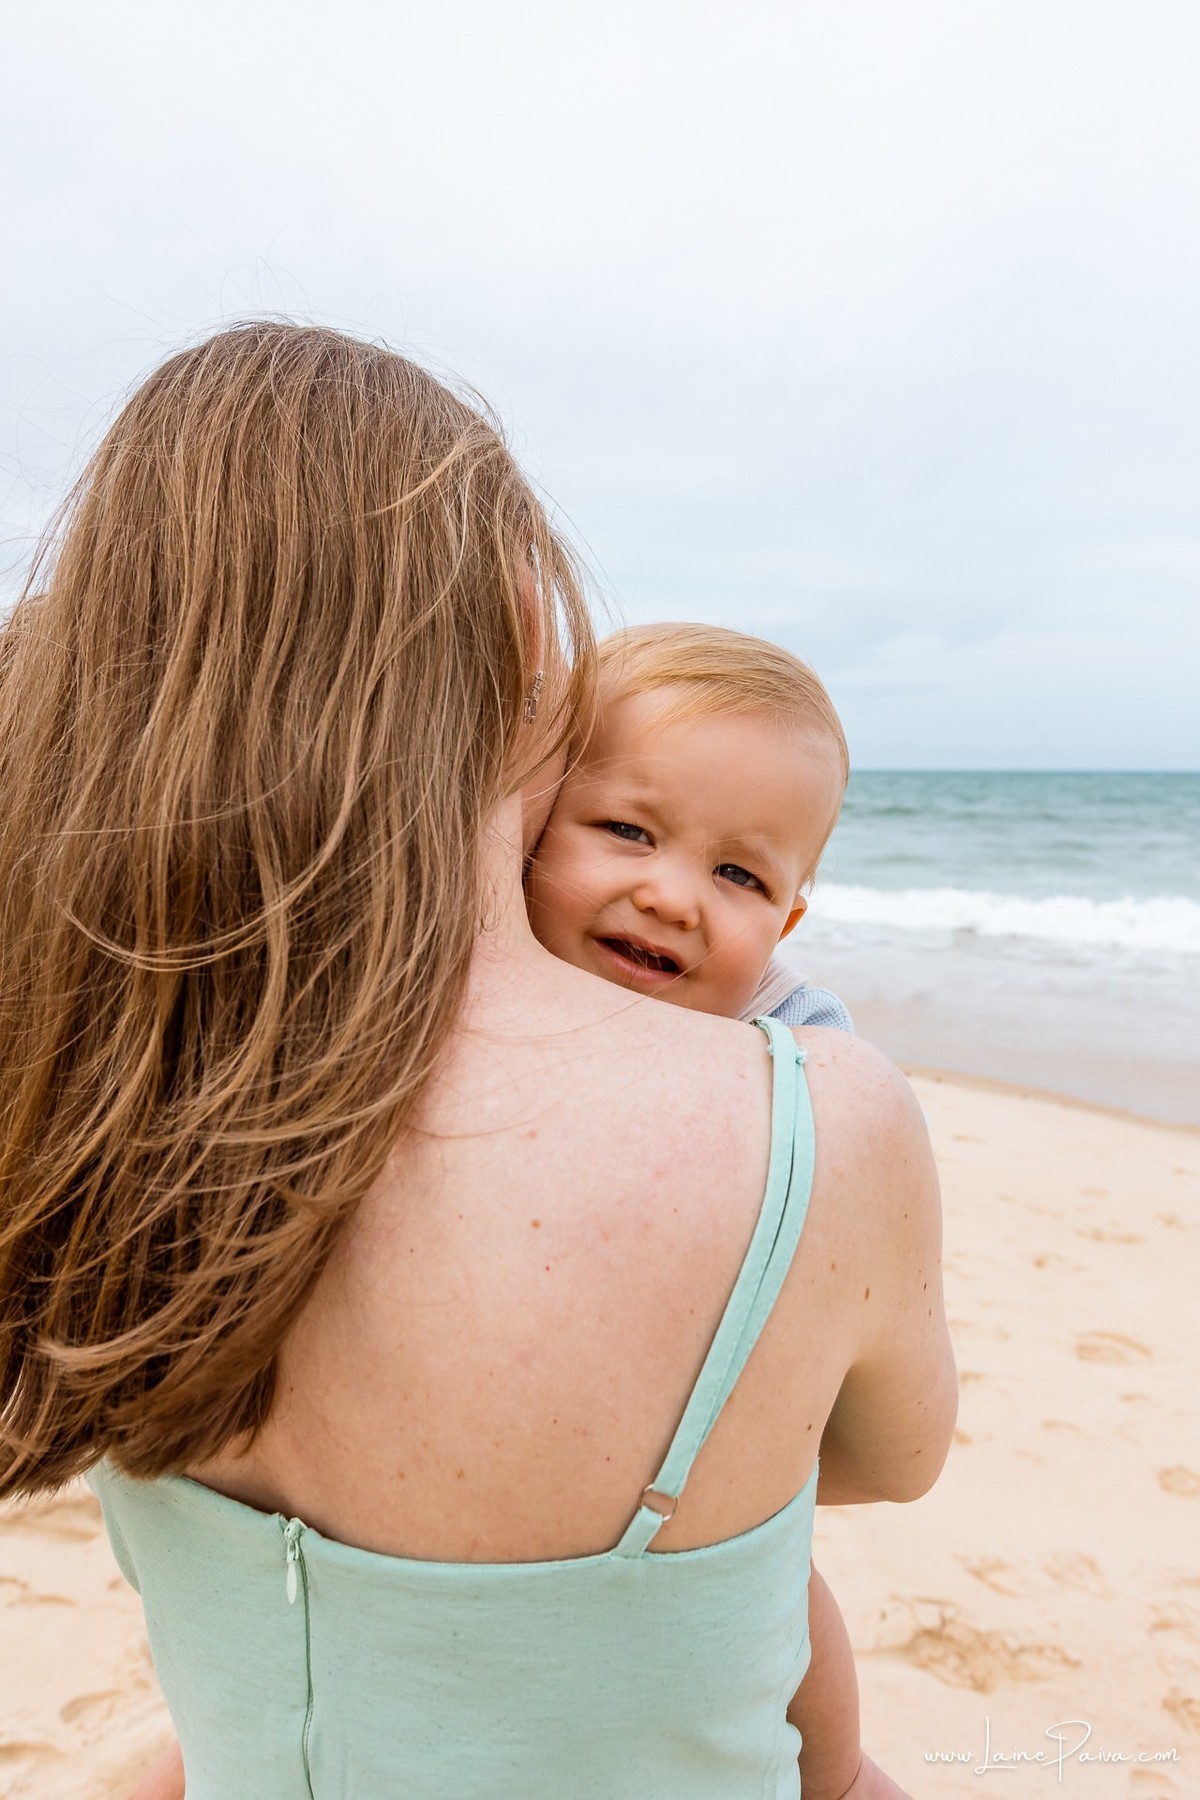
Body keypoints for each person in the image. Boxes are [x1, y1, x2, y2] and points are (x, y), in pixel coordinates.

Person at [0, 323, 956, 1800]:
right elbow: (893, 1461)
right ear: (522, 632)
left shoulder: (94, 1092)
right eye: (629, 832)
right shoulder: (813, 1125)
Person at [526, 618, 882, 1791]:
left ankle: (834, 1779)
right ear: (527, 824)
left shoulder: (790, 1043)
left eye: (740, 875)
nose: (672, 895)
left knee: (783, 1602)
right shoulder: (468, 1000)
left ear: (784, 923)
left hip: (698, 1439)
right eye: (627, 830)